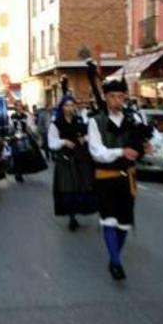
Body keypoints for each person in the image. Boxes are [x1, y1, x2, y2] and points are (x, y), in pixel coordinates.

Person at [88, 76, 150, 281]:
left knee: (123, 224)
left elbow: (148, 141)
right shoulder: (95, 122)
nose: (117, 101)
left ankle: (115, 256)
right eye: (112, 97)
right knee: (109, 220)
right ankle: (115, 262)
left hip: (127, 180)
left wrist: (147, 148)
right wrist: (121, 152)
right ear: (106, 98)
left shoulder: (134, 120)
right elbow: (97, 152)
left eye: (120, 97)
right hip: (105, 178)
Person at [49, 90, 97, 231]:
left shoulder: (79, 121)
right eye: (67, 105)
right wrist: (63, 142)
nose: (69, 108)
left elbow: (91, 134)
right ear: (62, 107)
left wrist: (84, 138)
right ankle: (71, 217)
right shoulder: (56, 124)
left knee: (81, 188)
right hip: (65, 159)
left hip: (80, 158)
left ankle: (77, 213)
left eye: (71, 105)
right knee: (68, 188)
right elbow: (52, 142)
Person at [8, 100, 47, 182]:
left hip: (25, 137)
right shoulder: (12, 116)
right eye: (17, 106)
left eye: (20, 106)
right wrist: (11, 132)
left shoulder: (27, 115)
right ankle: (18, 173)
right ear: (15, 107)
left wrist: (34, 133)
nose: (19, 107)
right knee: (16, 156)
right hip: (15, 138)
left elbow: (31, 126)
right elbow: (10, 126)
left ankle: (24, 170)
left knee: (27, 154)